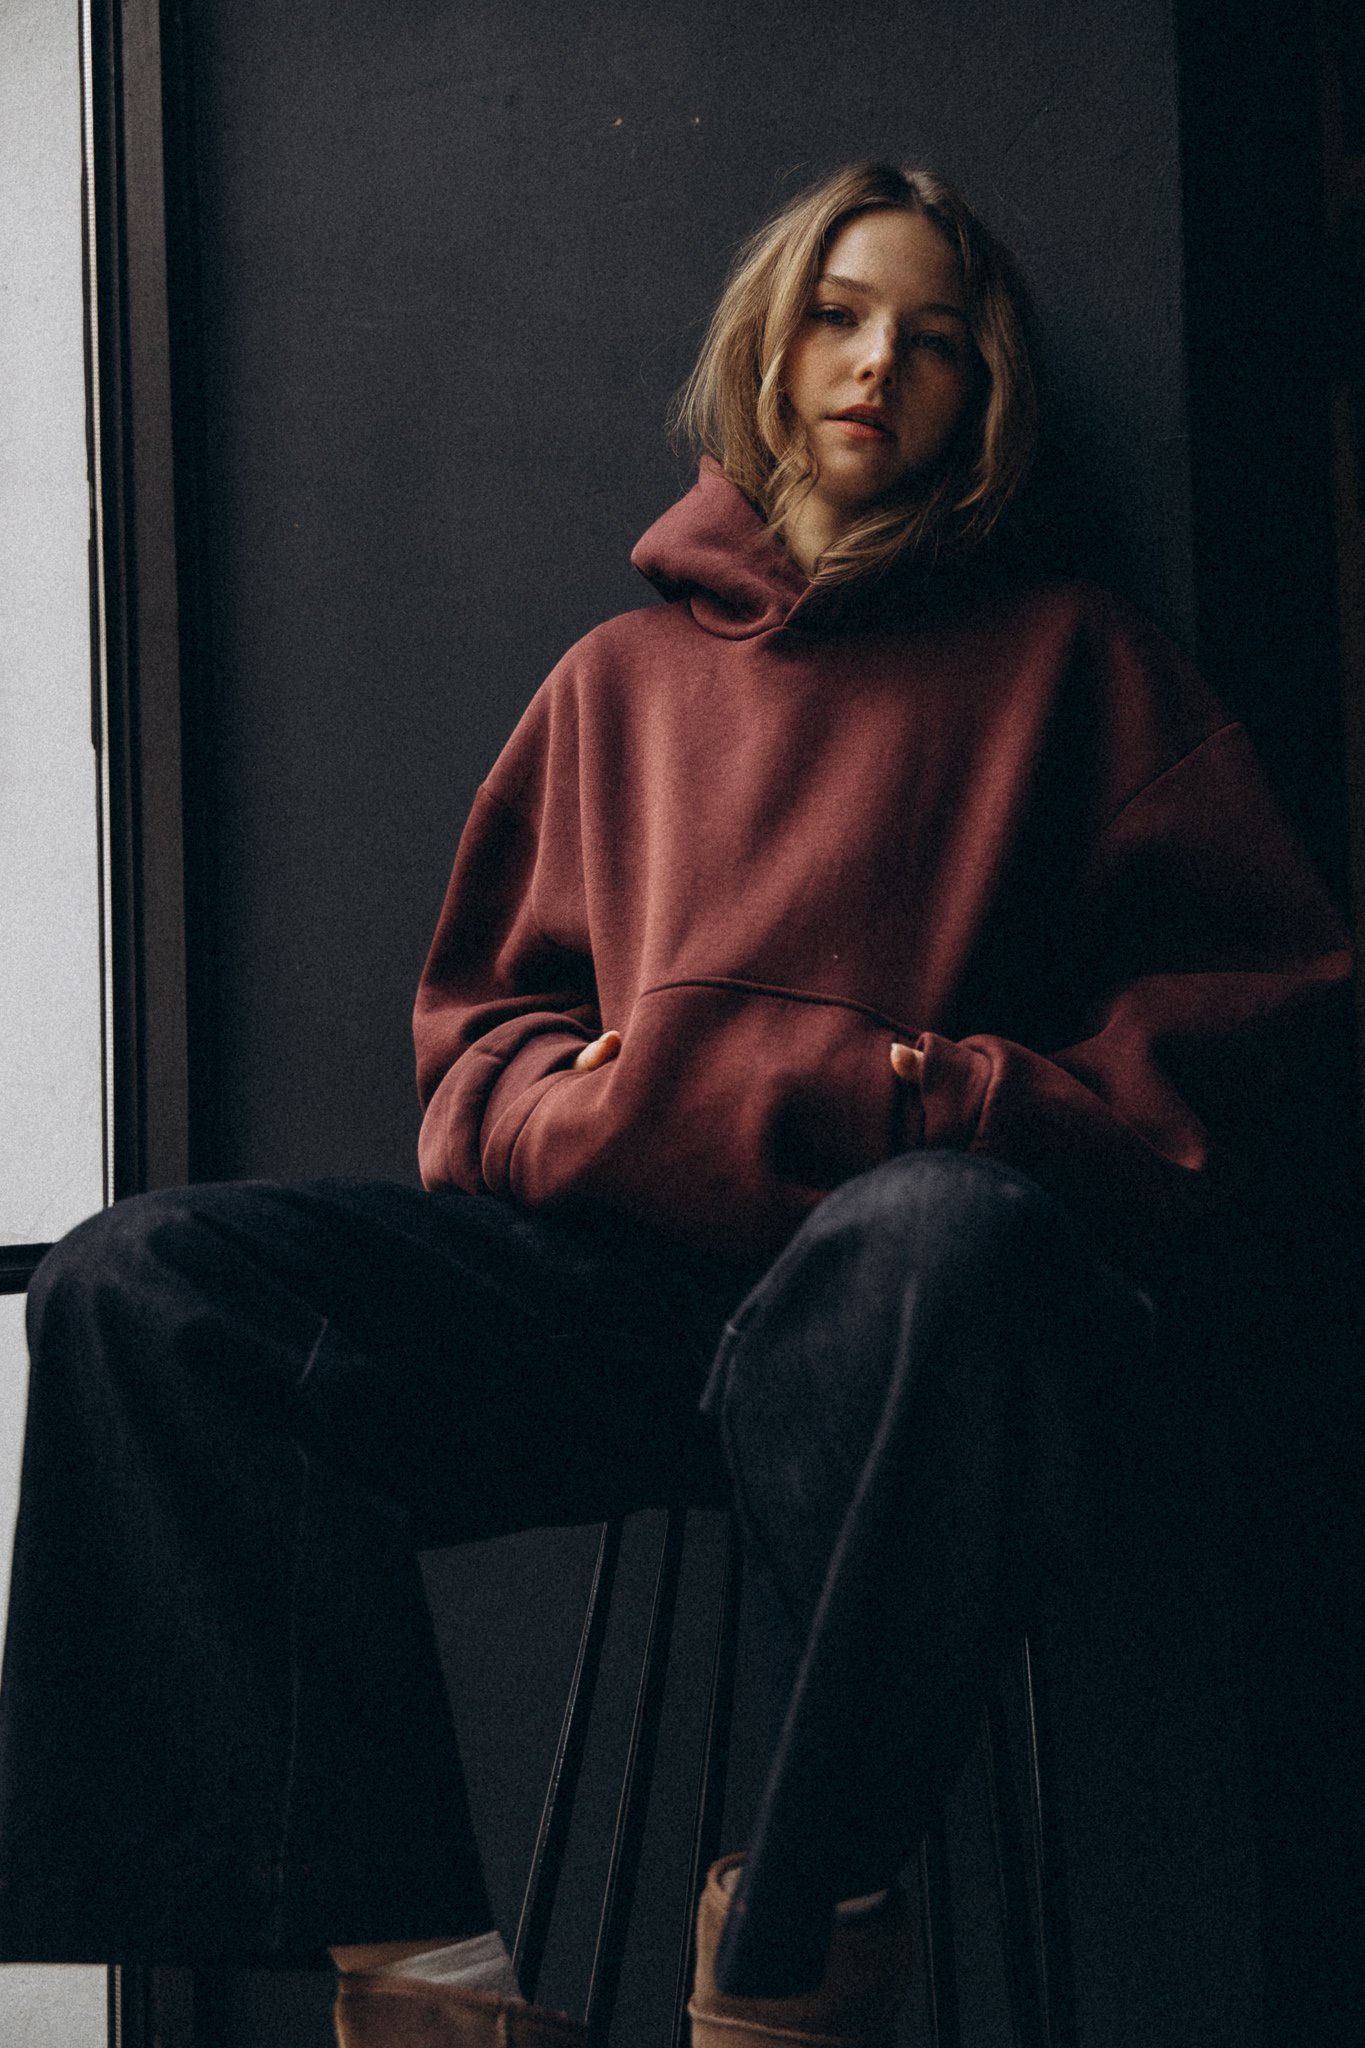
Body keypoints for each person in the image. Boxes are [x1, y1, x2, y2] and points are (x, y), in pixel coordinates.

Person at [0, 161, 1349, 2048]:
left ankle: (789, 1956)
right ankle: (424, 1974)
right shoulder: (612, 684)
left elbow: (1240, 1028)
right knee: (139, 1283)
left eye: (936, 341)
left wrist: (920, 1092)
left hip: (904, 1333)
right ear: (767, 344)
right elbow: (478, 1048)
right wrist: (590, 1111)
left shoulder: (1082, 671)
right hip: (607, 1307)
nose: (879, 362)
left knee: (942, 1233)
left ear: (988, 399)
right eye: (838, 312)